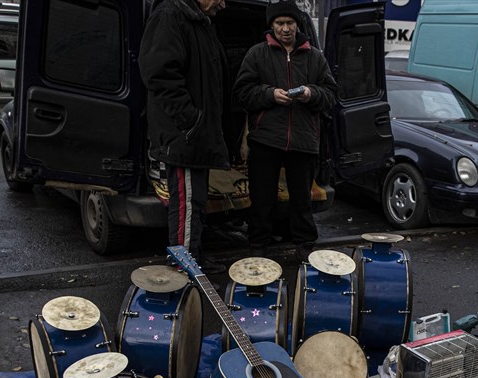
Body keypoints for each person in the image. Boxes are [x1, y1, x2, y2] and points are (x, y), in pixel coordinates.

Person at [233, 0, 337, 263]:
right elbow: (241, 93)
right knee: (262, 198)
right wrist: (270, 94)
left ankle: (304, 245)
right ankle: (257, 246)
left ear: (297, 24)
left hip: (303, 139)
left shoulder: (314, 56)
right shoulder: (257, 54)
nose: (285, 29)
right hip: (266, 138)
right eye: (280, 23)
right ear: (272, 26)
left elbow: (331, 95)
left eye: (290, 23)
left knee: (302, 199)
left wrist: (311, 93)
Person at [138, 0, 230, 274]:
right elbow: (159, 74)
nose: (223, 4)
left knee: (196, 201)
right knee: (187, 203)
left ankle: (193, 258)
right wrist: (189, 119)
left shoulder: (197, 22)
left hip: (194, 134)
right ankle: (184, 266)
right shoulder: (170, 15)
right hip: (184, 135)